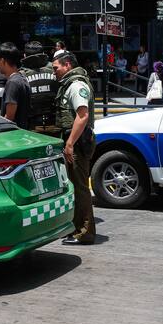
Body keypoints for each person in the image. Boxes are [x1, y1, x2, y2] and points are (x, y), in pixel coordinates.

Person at [52, 52, 96, 245]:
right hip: (75, 141)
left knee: (80, 188)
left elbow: (82, 116)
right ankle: (76, 228)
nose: (54, 72)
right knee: (75, 187)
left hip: (77, 143)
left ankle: (85, 233)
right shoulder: (69, 83)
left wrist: (69, 144)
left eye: (56, 68)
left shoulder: (76, 85)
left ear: (67, 65)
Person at [20, 40, 59, 134]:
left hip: (32, 127)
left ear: (25, 56)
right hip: (56, 124)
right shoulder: (56, 69)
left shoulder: (21, 74)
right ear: (44, 54)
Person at [0, 42, 31, 129]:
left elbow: (9, 117)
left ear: (2, 61)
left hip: (15, 136)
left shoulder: (13, 83)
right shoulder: (21, 78)